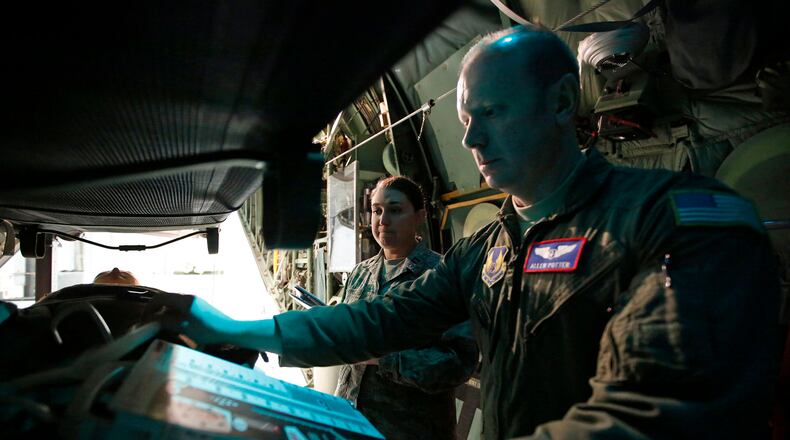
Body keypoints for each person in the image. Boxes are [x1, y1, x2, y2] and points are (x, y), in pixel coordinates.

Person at [153, 25, 780, 439]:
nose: (473, 138)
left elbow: (655, 413)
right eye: (463, 120)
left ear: (563, 103)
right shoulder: (493, 244)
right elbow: (383, 318)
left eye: (491, 114)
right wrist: (238, 329)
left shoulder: (674, 219)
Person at [331, 175, 477, 440]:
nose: (382, 220)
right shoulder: (361, 273)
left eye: (395, 210)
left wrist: (379, 356)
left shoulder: (441, 275)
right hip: (349, 423)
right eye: (376, 210)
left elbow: (458, 364)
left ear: (419, 216)